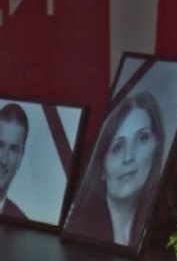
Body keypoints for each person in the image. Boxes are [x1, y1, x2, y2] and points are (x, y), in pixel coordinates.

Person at [66, 92, 164, 248]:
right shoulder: (79, 233)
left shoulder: (161, 229)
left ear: (157, 146)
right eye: (117, 147)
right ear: (102, 169)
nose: (129, 157)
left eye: (142, 138)